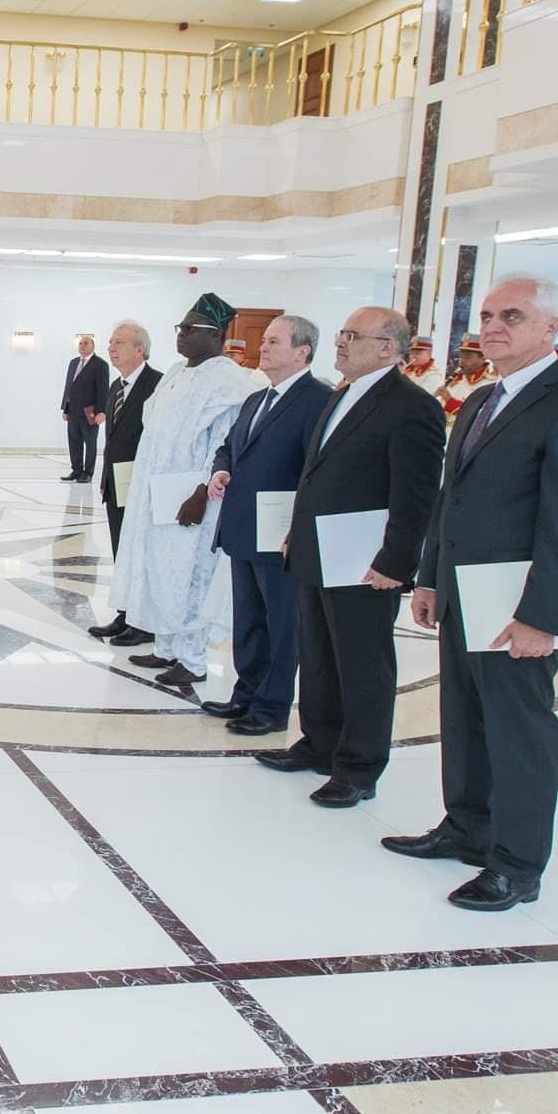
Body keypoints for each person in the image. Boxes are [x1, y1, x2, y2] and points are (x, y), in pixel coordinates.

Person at [393, 275, 558, 910]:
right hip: (463, 589)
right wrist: (430, 575)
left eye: (512, 316)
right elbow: (451, 498)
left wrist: (541, 617)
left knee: (519, 729)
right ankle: (468, 826)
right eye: (489, 315)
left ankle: (518, 864)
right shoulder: (479, 400)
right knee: (464, 716)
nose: (492, 326)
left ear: (551, 328)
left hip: (515, 599)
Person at [255, 307, 445, 805]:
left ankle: (359, 766)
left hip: (364, 559)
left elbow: (416, 494)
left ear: (388, 347)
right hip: (320, 548)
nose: (340, 342)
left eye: (352, 336)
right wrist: (297, 532)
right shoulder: (341, 394)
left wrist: (395, 561)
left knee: (362, 664)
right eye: (342, 333)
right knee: (318, 655)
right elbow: (317, 473)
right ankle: (320, 743)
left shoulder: (411, 406)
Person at [113, 293, 265, 688]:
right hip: (157, 492)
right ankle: (166, 647)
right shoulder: (177, 372)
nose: (180, 335)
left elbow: (225, 442)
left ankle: (193, 659)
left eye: (189, 329)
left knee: (191, 576)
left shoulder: (229, 380)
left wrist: (200, 492)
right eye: (179, 328)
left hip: (195, 498)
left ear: (214, 335)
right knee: (158, 570)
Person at [200, 316, 333, 736]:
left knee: (282, 623)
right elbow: (229, 446)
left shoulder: (319, 400)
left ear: (302, 351)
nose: (264, 347)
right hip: (243, 525)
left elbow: (317, 470)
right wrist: (221, 470)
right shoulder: (257, 398)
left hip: (281, 533)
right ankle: (246, 694)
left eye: (274, 341)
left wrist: (299, 528)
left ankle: (272, 707)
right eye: (266, 341)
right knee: (249, 620)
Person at [90, 321, 163, 645]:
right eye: (110, 342)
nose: (111, 348)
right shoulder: (115, 386)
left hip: (143, 485)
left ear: (140, 349)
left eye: (119, 342)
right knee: (122, 551)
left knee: (142, 554)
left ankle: (144, 622)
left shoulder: (158, 385)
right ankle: (125, 613)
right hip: (117, 483)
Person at [60, 333, 109, 483]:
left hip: (90, 412)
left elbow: (103, 390)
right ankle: (76, 470)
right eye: (80, 343)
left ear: (93, 346)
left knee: (90, 443)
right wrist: (65, 408)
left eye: (86, 343)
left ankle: (88, 472)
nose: (82, 346)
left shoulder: (100, 364)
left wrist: (101, 412)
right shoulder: (73, 363)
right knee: (74, 442)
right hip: (73, 411)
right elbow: (69, 386)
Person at [439, 336, 491, 424]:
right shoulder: (456, 380)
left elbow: (481, 415)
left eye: (467, 357)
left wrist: (449, 400)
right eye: (460, 356)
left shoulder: (489, 384)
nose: (462, 361)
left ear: (483, 357)